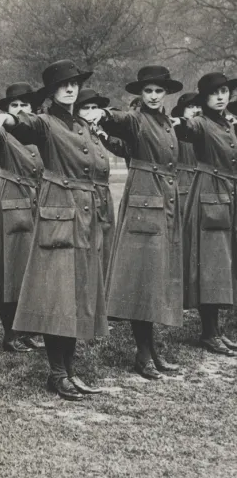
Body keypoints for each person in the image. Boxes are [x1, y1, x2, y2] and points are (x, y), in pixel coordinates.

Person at [0, 60, 108, 401]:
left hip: (83, 216)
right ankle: (57, 373)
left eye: (74, 84)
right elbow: (25, 125)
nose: (70, 89)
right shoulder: (46, 122)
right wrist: (9, 119)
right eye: (63, 85)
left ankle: (69, 370)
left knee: (75, 296)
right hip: (58, 216)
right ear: (52, 92)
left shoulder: (82, 125)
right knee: (58, 297)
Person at [83, 66, 184, 380]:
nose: (153, 96)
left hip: (164, 202)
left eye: (158, 91)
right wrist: (102, 113)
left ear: (165, 93)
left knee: (155, 279)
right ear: (140, 94)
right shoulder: (137, 119)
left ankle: (151, 350)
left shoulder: (167, 121)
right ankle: (142, 354)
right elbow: (119, 119)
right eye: (148, 91)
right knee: (143, 279)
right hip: (145, 203)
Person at [176, 72, 237, 356]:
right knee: (209, 264)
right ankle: (208, 332)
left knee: (223, 264)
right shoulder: (200, 123)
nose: (221, 96)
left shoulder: (228, 124)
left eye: (224, 91)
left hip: (227, 194)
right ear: (204, 98)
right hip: (209, 196)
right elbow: (184, 129)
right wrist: (176, 123)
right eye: (214, 93)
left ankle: (217, 330)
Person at [0, 83, 44, 353]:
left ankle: (28, 330)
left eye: (25, 105)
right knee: (11, 268)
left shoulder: (39, 135)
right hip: (12, 202)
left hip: (36, 203)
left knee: (31, 269)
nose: (20, 110)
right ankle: (11, 333)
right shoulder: (2, 134)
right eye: (14, 106)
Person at [74, 88, 127, 279]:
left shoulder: (99, 134)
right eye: (85, 108)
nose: (90, 112)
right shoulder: (74, 133)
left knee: (105, 248)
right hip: (84, 198)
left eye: (94, 108)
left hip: (104, 198)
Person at [171, 93, 201, 217]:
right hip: (182, 182)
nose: (195, 110)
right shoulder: (174, 130)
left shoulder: (206, 131)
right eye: (191, 106)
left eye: (198, 106)